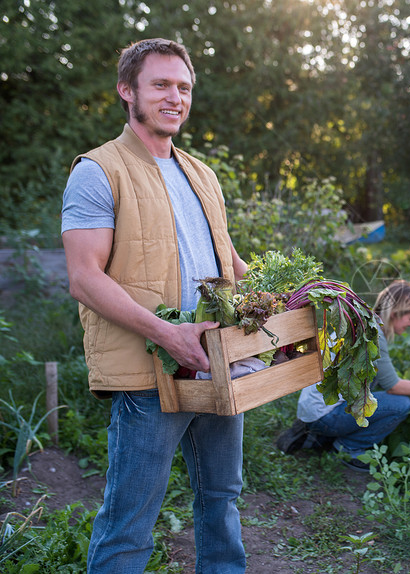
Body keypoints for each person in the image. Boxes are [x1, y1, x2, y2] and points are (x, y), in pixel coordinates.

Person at [61, 38, 249, 573]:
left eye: (184, 87)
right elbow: (84, 277)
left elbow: (229, 261)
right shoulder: (98, 171)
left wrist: (284, 307)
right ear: (128, 91)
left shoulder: (201, 174)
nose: (175, 97)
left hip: (215, 360)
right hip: (149, 372)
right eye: (161, 85)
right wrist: (170, 335)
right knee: (130, 523)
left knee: (222, 500)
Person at [277, 280, 410, 472]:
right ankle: (348, 449)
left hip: (314, 409)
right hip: (324, 415)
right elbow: (393, 386)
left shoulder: (363, 323)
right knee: (401, 405)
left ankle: (319, 436)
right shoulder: (374, 334)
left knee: (374, 396)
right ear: (396, 314)